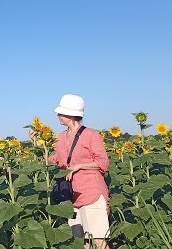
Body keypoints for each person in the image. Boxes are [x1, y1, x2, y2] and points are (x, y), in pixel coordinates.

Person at [29, 94, 110, 249]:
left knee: (99, 241)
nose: (57, 115)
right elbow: (52, 160)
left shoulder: (91, 134)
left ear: (72, 115)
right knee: (81, 243)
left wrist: (79, 166)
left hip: (90, 192)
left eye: (61, 113)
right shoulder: (60, 137)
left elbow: (103, 162)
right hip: (71, 195)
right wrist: (36, 143)